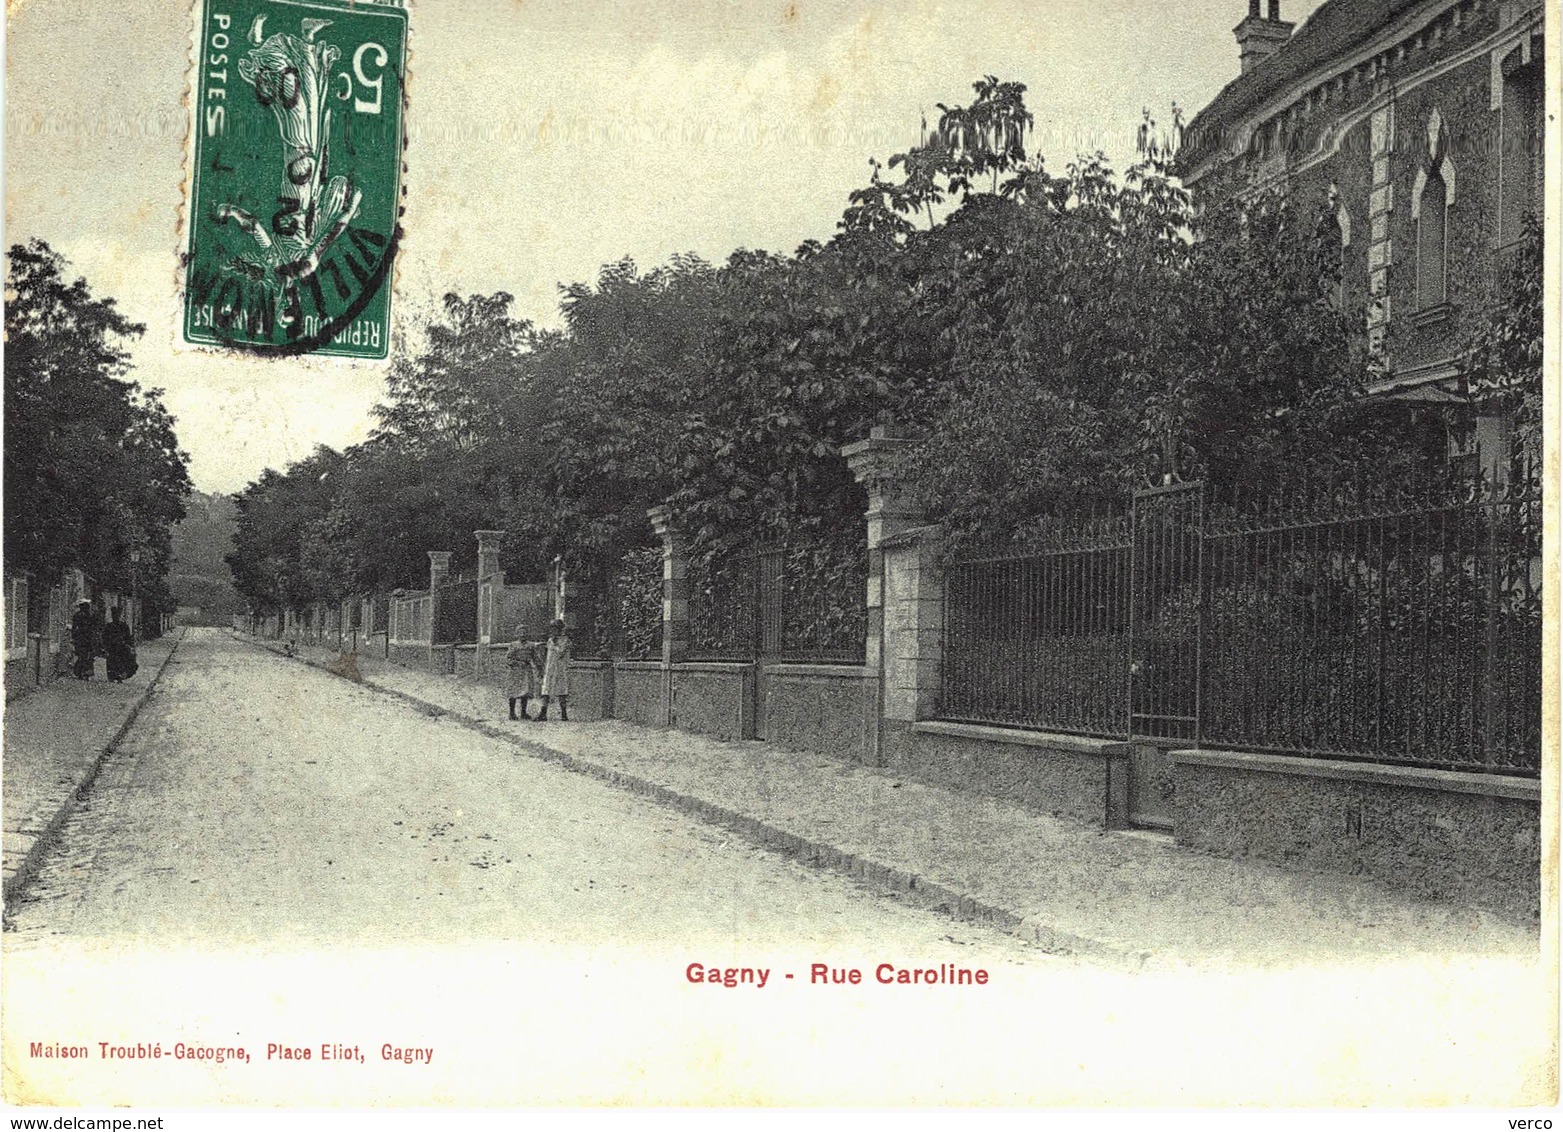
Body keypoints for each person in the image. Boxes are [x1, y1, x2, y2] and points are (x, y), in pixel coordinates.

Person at [536, 618, 570, 721]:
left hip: (560, 669)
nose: (553, 631)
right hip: (550, 668)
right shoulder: (550, 640)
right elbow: (548, 655)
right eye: (552, 629)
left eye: (555, 629)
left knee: (561, 690)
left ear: (559, 629)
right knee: (546, 689)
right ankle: (543, 713)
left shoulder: (565, 640)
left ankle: (564, 714)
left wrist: (555, 644)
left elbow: (560, 653)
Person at [505, 631, 544, 721]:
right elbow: (508, 659)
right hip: (516, 671)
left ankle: (523, 712)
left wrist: (540, 668)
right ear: (517, 634)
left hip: (526, 670)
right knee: (514, 691)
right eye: (520, 633)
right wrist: (517, 663)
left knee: (525, 691)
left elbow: (535, 658)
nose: (522, 635)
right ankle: (512, 713)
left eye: (524, 633)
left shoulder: (531, 645)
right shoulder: (513, 645)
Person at [103, 607, 137, 683]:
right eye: (114, 615)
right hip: (112, 647)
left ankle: (119, 677)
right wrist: (106, 647)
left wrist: (130, 646)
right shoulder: (109, 626)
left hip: (121, 647)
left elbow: (128, 637)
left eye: (117, 615)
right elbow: (105, 637)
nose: (115, 617)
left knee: (120, 662)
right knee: (111, 661)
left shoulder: (123, 626)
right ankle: (111, 677)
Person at [70, 600, 96, 680]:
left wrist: (74, 636)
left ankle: (81, 672)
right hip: (85, 638)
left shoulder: (79, 615)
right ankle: (82, 672)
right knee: (85, 656)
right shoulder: (88, 615)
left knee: (83, 656)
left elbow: (74, 628)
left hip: (82, 638)